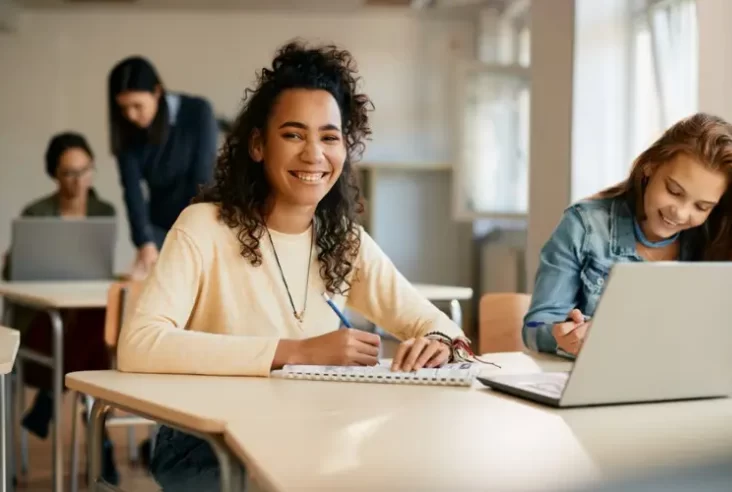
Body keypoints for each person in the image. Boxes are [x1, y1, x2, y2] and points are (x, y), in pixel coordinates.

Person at [116, 41, 474, 491]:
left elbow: (442, 329)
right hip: (207, 440)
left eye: (329, 136)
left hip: (313, 432)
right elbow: (140, 344)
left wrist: (438, 343)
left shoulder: (344, 241)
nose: (314, 154)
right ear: (258, 145)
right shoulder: (202, 226)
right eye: (293, 134)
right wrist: (297, 353)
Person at [522, 113, 732, 356]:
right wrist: (562, 336)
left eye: (702, 207)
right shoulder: (585, 225)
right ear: (650, 166)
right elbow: (533, 327)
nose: (680, 213)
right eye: (674, 191)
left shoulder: (719, 238)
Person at [1, 132, 119, 483]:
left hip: (82, 325)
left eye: (85, 170)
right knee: (85, 332)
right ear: (55, 174)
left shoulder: (104, 211)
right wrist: (12, 260)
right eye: (69, 172)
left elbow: (102, 271)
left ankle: (50, 400)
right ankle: (103, 448)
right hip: (43, 326)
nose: (79, 180)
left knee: (95, 316)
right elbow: (14, 277)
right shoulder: (37, 213)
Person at [108, 56, 218, 278]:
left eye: (137, 106)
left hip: (203, 217)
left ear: (157, 92)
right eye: (124, 108)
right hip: (158, 226)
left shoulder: (197, 112)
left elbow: (202, 179)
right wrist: (145, 241)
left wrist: (190, 235)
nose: (130, 115)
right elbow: (133, 192)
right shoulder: (128, 132)